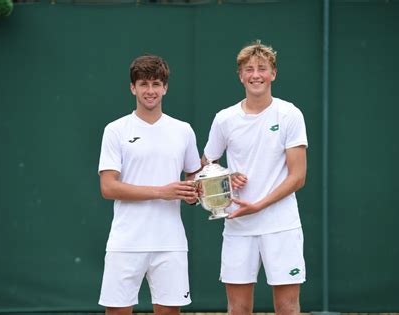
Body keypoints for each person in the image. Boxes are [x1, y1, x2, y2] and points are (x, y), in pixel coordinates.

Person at [203, 40, 308, 315]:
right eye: (249, 69)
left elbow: (298, 177)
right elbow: (206, 166)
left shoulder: (290, 114)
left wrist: (259, 205)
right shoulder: (225, 119)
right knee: (238, 308)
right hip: (238, 226)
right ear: (240, 76)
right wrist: (225, 176)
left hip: (281, 225)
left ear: (273, 73)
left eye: (262, 68)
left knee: (287, 307)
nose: (256, 75)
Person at [97, 54, 201, 315]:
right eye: (144, 84)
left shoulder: (184, 130)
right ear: (133, 88)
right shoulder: (115, 130)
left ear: (165, 87)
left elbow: (194, 179)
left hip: (170, 242)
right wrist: (162, 192)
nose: (150, 91)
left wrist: (196, 193)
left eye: (156, 84)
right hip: (126, 242)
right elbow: (108, 187)